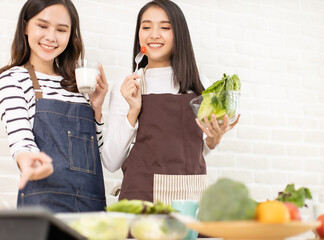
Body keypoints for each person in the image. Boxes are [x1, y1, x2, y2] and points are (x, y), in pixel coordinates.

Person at [102, 0, 239, 205]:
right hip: (142, 203)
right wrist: (133, 111)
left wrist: (213, 140)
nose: (154, 34)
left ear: (179, 34)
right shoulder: (128, 87)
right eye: (146, 27)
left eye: (165, 27)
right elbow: (110, 162)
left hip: (190, 202)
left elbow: (191, 153)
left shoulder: (201, 86)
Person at [0, 0, 108, 213]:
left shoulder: (78, 85)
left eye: (61, 29)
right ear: (25, 27)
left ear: (70, 35)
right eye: (42, 26)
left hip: (91, 207)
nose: (51, 37)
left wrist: (97, 108)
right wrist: (27, 159)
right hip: (43, 207)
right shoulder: (13, 78)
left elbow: (100, 154)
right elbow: (20, 138)